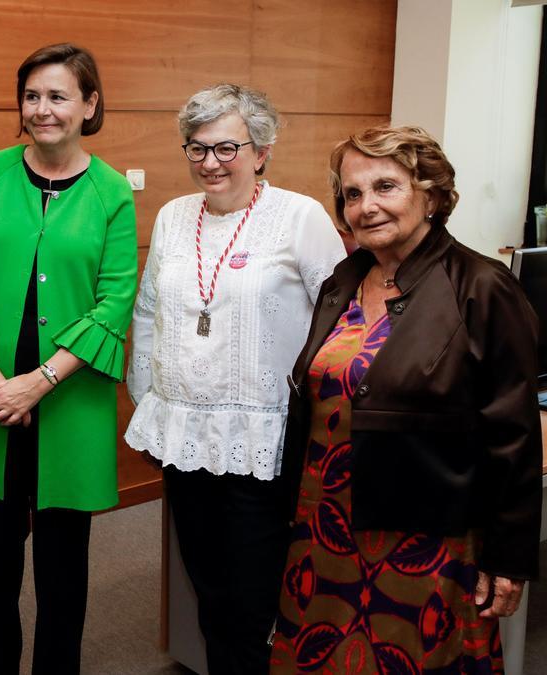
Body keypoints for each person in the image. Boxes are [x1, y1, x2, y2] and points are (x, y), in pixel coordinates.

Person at [271, 126, 542, 673]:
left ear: (431, 194)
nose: (365, 206)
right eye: (351, 193)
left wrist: (507, 557)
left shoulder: (481, 286)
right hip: (325, 526)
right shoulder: (344, 280)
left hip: (424, 538)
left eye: (386, 187)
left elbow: (513, 435)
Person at [125, 84, 346, 674]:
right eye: (196, 149)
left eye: (227, 147)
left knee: (253, 600)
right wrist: (148, 399)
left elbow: (339, 318)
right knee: (208, 590)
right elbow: (149, 312)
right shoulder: (174, 216)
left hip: (262, 443)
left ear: (262, 150)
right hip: (186, 437)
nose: (210, 163)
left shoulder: (300, 217)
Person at [0, 43, 137, 675]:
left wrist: (39, 382)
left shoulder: (111, 193)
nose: (43, 109)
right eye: (32, 96)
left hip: (68, 401)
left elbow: (114, 302)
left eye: (58, 96)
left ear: (89, 104)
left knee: (62, 572)